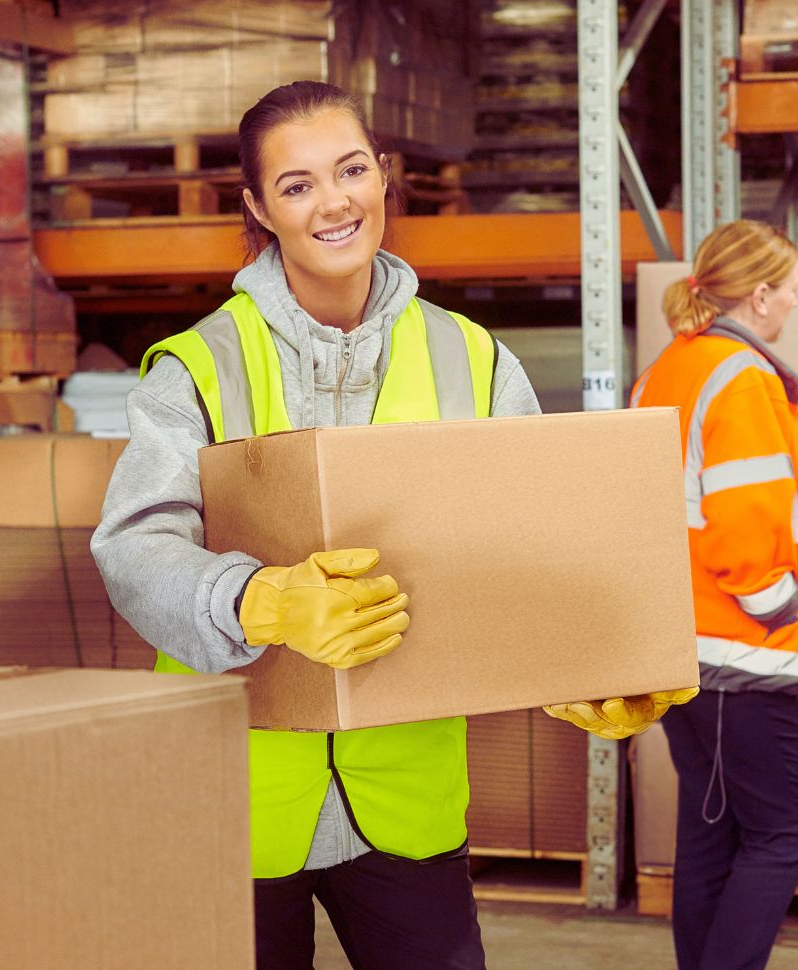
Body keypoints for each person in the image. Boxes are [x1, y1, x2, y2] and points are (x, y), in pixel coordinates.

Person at [91, 80, 549, 970]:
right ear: (259, 209)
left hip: (407, 798)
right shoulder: (197, 367)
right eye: (297, 185)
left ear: (384, 177)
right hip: (241, 800)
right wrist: (259, 601)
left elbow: (529, 544)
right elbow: (133, 548)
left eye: (350, 171)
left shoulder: (476, 361)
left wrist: (588, 666)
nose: (333, 201)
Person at [601, 219, 798, 970]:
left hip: (685, 649)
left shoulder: (670, 368)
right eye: (790, 286)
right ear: (760, 295)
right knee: (781, 832)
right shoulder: (742, 377)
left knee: (714, 830)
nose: (796, 299)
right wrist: (778, 602)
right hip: (744, 654)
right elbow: (744, 516)